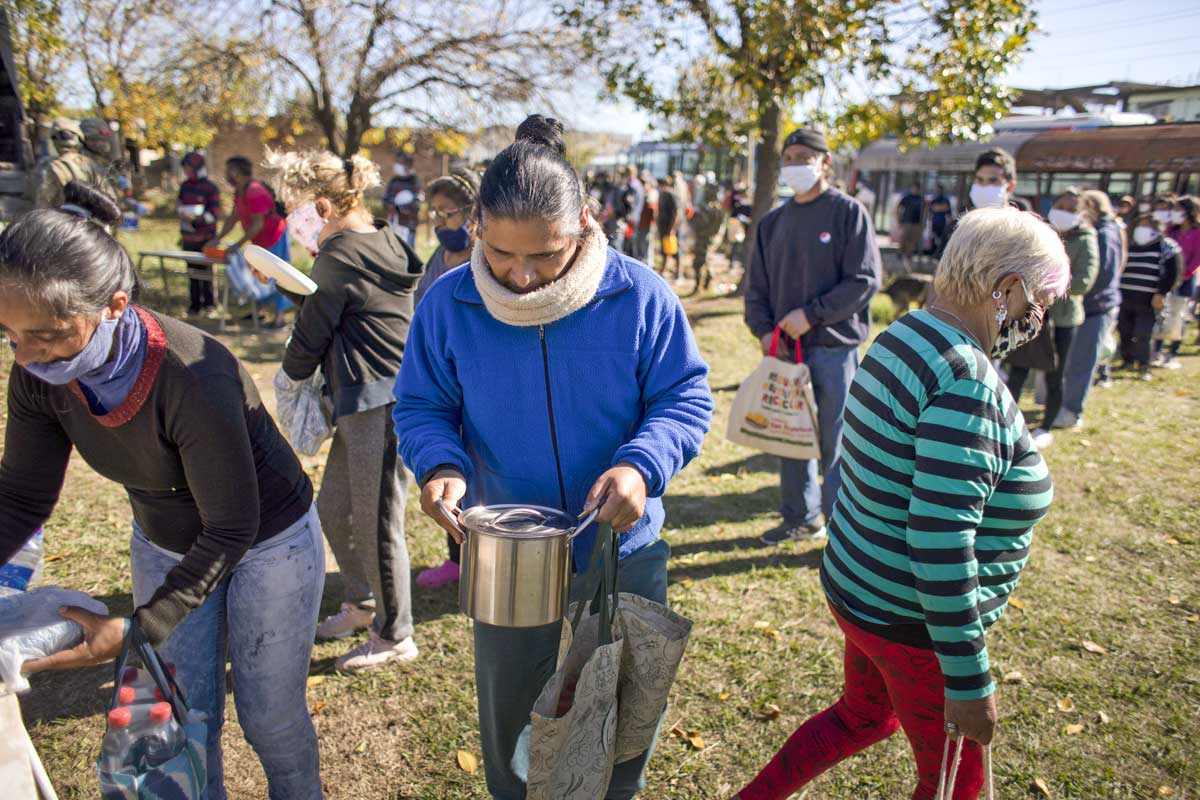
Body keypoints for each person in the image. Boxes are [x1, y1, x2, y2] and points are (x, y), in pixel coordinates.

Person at [394, 115, 713, 800]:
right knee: (511, 718)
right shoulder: (448, 305)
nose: (523, 275)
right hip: (509, 552)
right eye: (504, 254)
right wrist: (440, 465)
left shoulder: (639, 296)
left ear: (586, 223)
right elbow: (420, 407)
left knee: (621, 712)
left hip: (623, 548)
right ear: (477, 225)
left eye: (546, 254)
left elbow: (685, 398)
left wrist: (642, 466)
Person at [0, 182, 324, 799]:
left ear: (115, 305)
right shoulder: (39, 377)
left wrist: (138, 628)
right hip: (165, 540)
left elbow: (231, 527)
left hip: (267, 540)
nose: (26, 355)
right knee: (180, 713)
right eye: (10, 334)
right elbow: (19, 495)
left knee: (270, 719)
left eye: (47, 334)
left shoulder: (191, 372)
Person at [734, 207, 1066, 800]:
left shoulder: (905, 334)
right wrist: (969, 681)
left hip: (859, 591)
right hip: (915, 626)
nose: (1039, 318)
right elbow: (939, 539)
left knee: (862, 716)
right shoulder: (966, 380)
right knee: (952, 788)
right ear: (1007, 289)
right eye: (1041, 301)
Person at [267, 150, 425, 671]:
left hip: (381, 403)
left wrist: (288, 380)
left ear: (322, 206)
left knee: (378, 519)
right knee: (336, 505)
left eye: (295, 212)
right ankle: (361, 603)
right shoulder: (382, 237)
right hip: (365, 401)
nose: (293, 224)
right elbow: (345, 309)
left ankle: (395, 632)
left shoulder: (336, 255)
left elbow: (312, 333)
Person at [745, 127, 881, 546]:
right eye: (788, 157)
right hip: (785, 354)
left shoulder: (848, 213)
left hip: (835, 350)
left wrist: (812, 314)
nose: (794, 164)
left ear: (825, 161)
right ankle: (801, 518)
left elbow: (864, 280)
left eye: (804, 155)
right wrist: (766, 332)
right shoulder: (772, 223)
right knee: (790, 437)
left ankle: (843, 527)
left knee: (836, 440)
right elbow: (756, 289)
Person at [412, 168, 481, 589]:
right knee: (445, 469)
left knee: (477, 473)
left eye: (448, 213)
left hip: (473, 379)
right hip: (441, 381)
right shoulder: (437, 259)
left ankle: (479, 552)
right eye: (434, 214)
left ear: (471, 214)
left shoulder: (489, 257)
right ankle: (456, 556)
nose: (440, 224)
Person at [1005, 189, 1098, 449]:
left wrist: (1051, 288)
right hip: (1032, 314)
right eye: (1060, 205)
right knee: (1018, 369)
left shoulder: (1086, 239)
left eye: (1070, 208)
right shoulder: (1042, 233)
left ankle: (1046, 425)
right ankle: (1004, 420)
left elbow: (1083, 281)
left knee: (1055, 374)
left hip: (1062, 320)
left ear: (1082, 213)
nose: (1063, 212)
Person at [1059, 190, 1125, 427]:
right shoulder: (1108, 230)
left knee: (1082, 361)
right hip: (1098, 304)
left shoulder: (1104, 233)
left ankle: (1071, 411)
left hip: (1096, 306)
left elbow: (1100, 274)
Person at [208, 156, 293, 328]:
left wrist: (238, 245)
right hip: (259, 239)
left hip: (274, 236)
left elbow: (258, 223)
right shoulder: (240, 192)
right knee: (259, 274)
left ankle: (279, 318)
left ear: (237, 173)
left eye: (228, 171)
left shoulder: (255, 191)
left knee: (278, 275)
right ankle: (258, 311)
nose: (226, 175)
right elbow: (233, 219)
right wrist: (217, 239)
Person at [1118, 210, 1181, 381]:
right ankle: (1127, 360)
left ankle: (1144, 365)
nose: (1142, 228)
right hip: (1125, 296)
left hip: (1148, 300)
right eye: (1141, 225)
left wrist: (1161, 293)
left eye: (1147, 225)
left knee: (1143, 333)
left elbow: (1172, 273)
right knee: (1124, 330)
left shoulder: (1166, 246)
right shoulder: (1130, 244)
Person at [176, 151, 222, 317]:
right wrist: (183, 215)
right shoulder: (185, 186)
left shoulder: (210, 188)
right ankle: (194, 305)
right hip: (189, 237)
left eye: (190, 168)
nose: (187, 171)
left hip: (206, 238)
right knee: (192, 273)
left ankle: (210, 305)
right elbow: (180, 205)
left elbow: (214, 213)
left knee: (206, 272)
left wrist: (197, 219)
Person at [1154, 195, 1198, 369]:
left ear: (1189, 212)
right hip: (1166, 279)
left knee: (1179, 316)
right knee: (1162, 314)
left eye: (1178, 210)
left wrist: (1183, 275)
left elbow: (1196, 259)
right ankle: (1156, 351)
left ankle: (1172, 353)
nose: (1174, 213)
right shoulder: (1171, 231)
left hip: (1185, 280)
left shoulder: (1197, 233)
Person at [33, 118, 108, 211]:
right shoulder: (91, 164)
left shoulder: (53, 166)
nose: (100, 144)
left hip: (62, 222)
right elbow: (108, 196)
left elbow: (42, 204)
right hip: (91, 221)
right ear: (79, 138)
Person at [383, 151, 423, 247]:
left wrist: (400, 208)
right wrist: (389, 206)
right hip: (393, 224)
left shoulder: (414, 181)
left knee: (408, 252)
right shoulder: (394, 180)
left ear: (408, 165)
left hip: (409, 225)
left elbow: (417, 201)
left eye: (400, 162)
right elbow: (386, 198)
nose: (397, 165)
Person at [657, 174, 682, 278]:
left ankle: (678, 273)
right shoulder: (662, 194)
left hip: (671, 228)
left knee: (675, 251)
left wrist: (672, 229)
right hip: (663, 227)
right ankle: (664, 270)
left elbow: (677, 213)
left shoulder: (672, 195)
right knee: (665, 249)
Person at [896, 184, 925, 269]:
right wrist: (899, 220)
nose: (915, 190)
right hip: (906, 223)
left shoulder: (920, 199)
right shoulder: (907, 198)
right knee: (903, 240)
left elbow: (925, 211)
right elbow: (898, 208)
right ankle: (901, 256)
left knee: (911, 243)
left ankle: (908, 259)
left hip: (916, 224)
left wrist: (923, 224)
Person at [621, 165, 646, 258]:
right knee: (631, 240)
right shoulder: (638, 184)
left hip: (631, 217)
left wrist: (628, 215)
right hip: (635, 216)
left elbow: (630, 202)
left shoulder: (633, 185)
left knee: (630, 242)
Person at [633, 170, 657, 263]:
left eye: (644, 182)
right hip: (641, 223)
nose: (642, 184)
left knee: (647, 244)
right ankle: (642, 260)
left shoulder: (652, 193)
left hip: (648, 224)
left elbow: (652, 211)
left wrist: (651, 224)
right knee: (640, 243)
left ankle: (648, 264)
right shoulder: (641, 192)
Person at [929, 185, 953, 256]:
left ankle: (940, 254)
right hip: (934, 224)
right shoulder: (933, 201)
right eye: (936, 190)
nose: (937, 192)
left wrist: (949, 225)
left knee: (942, 240)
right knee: (933, 239)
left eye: (939, 190)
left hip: (942, 224)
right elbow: (930, 215)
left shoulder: (945, 201)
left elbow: (948, 214)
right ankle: (933, 253)